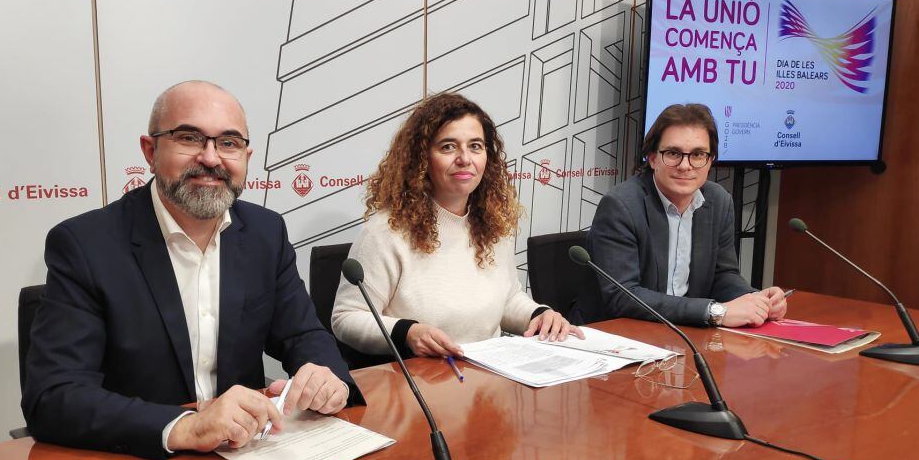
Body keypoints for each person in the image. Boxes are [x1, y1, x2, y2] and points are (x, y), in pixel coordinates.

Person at [23, 80, 363, 460]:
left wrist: (325, 376)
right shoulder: (85, 244)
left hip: (246, 459)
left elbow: (302, 333)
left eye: (229, 143)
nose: (212, 158)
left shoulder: (265, 232)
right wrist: (186, 426)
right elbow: (53, 396)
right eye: (189, 138)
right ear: (150, 151)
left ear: (247, 155)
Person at [331, 91, 579, 360]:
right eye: (448, 147)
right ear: (422, 158)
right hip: (419, 380)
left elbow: (506, 299)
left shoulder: (492, 224)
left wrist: (540, 315)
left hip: (489, 376)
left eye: (475, 146)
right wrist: (407, 333)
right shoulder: (386, 231)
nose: (465, 158)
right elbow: (346, 317)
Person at [571, 103, 787, 328]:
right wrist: (715, 311)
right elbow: (624, 296)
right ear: (652, 158)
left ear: (710, 160)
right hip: (617, 335)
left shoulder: (718, 201)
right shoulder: (621, 205)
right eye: (673, 153)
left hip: (685, 331)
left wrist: (757, 300)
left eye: (697, 154)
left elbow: (723, 276)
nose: (685, 165)